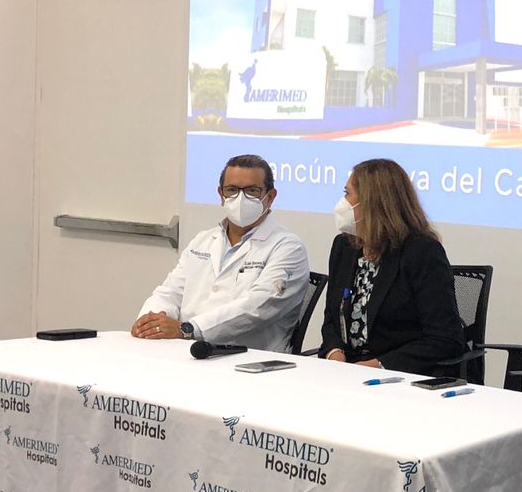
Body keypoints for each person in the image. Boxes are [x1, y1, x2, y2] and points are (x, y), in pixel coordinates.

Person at [131, 155, 310, 351]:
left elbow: (257, 308)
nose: (240, 198)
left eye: (252, 191)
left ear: (271, 196)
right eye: (232, 190)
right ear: (221, 194)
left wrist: (188, 329)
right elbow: (170, 292)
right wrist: (149, 322)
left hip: (248, 358)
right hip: (188, 350)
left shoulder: (288, 247)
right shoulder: (203, 240)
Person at [320, 159, 465, 375]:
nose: (343, 202)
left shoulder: (422, 252)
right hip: (348, 373)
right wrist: (335, 354)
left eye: (347, 193)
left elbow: (446, 339)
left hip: (400, 374)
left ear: (372, 202)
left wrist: (378, 365)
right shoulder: (344, 246)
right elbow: (332, 321)